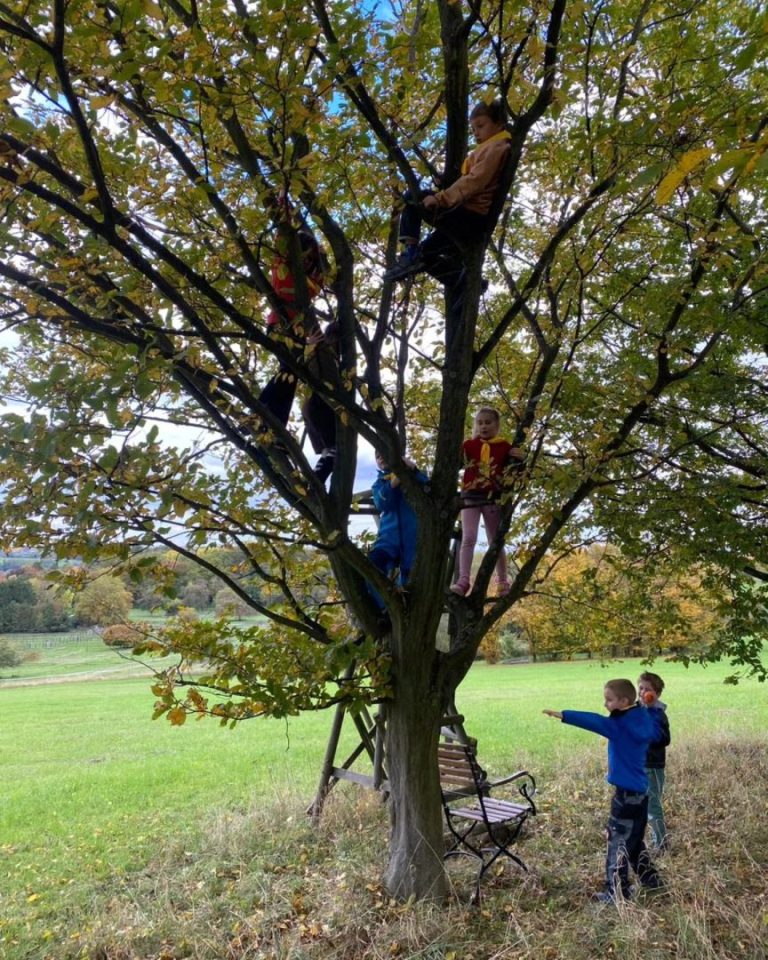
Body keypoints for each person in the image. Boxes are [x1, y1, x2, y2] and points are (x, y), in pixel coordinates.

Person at [543, 679, 665, 903]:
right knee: (634, 841)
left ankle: (616, 893)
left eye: (609, 700)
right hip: (641, 793)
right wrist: (653, 706)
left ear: (624, 701)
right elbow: (658, 730)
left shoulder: (618, 726)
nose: (605, 704)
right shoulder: (643, 718)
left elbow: (594, 721)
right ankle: (653, 881)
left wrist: (564, 715)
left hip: (626, 796)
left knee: (616, 842)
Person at [383, 99, 512, 286]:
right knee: (425, 253)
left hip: (469, 217)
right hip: (464, 212)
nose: (476, 132)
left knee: (413, 201)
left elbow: (474, 181)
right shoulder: (489, 148)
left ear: (499, 123)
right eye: (473, 128)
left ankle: (412, 255)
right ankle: (464, 281)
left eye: (481, 126)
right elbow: (469, 180)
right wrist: (444, 185)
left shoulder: (497, 148)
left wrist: (441, 198)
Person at [257, 198, 337, 482]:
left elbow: (322, 260)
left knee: (291, 373)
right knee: (288, 371)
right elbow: (283, 230)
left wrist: (312, 342)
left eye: (308, 257)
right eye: (300, 254)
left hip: (300, 331)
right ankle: (264, 415)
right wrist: (283, 198)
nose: (304, 260)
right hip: (280, 325)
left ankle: (269, 421)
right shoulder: (282, 263)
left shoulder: (315, 275)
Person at [450, 406, 523, 597]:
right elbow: (456, 464)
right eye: (480, 423)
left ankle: (502, 581)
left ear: (497, 425)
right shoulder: (468, 446)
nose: (484, 426)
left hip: (493, 498)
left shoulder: (505, 446)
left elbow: (515, 473)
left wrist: (520, 458)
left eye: (488, 422)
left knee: (495, 539)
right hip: (470, 497)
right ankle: (463, 580)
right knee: (468, 538)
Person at [367, 452, 429, 609]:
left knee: (410, 581)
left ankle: (405, 609)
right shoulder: (379, 483)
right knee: (374, 564)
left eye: (383, 453)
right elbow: (382, 504)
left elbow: (429, 489)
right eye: (378, 457)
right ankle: (384, 608)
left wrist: (413, 469)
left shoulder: (412, 477)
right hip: (389, 538)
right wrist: (393, 484)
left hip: (413, 539)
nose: (381, 458)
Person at [638, 671, 671, 852]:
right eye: (641, 688)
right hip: (638, 765)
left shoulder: (658, 714)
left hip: (653, 766)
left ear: (656, 694)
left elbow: (665, 739)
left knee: (653, 806)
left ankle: (662, 843)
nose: (642, 692)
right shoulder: (637, 710)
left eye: (647, 689)